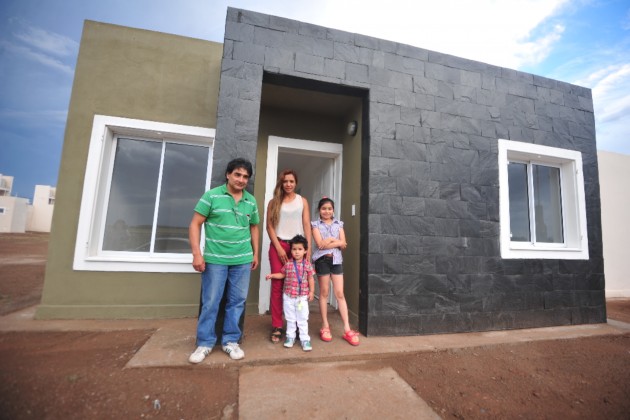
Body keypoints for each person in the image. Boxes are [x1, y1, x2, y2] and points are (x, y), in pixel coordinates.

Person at [188, 158, 260, 363]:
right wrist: (196, 254)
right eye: (237, 174)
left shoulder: (250, 201)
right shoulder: (211, 196)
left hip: (243, 260)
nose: (241, 179)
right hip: (215, 260)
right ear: (228, 174)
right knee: (211, 302)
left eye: (246, 176)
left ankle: (230, 341)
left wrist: (255, 253)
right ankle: (205, 343)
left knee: (237, 302)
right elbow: (195, 224)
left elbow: (254, 226)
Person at [266, 169, 311, 343]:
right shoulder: (273, 202)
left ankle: (298, 325)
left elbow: (306, 224)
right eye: (285, 181)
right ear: (281, 183)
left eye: (291, 181)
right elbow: (269, 226)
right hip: (279, 245)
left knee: (299, 285)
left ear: (296, 183)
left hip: (297, 247)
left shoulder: (302, 201)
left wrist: (308, 249)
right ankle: (277, 325)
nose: (288, 184)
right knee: (278, 285)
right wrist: (277, 247)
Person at [311, 197, 360, 346]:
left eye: (329, 209)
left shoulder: (339, 224)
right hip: (322, 261)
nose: (327, 211)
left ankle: (347, 329)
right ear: (319, 210)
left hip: (337, 261)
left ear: (333, 210)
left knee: (340, 294)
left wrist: (330, 239)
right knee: (324, 293)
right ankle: (325, 326)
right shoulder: (315, 225)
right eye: (324, 208)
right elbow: (320, 245)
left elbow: (343, 244)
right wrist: (335, 242)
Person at [265, 234, 315, 351]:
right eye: (294, 249)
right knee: (290, 318)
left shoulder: (307, 265)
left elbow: (311, 278)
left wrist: (312, 291)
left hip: (301, 297)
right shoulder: (288, 264)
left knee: (302, 319)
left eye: (300, 249)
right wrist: (272, 275)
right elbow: (282, 274)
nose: (297, 252)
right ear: (291, 250)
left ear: (305, 251)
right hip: (289, 297)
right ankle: (290, 337)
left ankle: (305, 339)